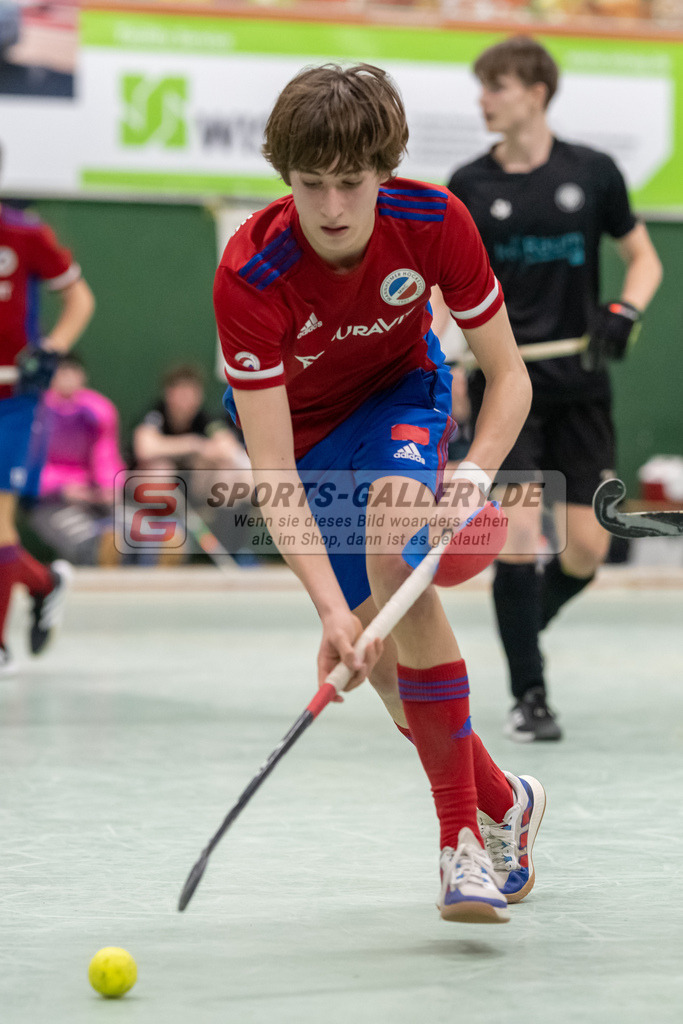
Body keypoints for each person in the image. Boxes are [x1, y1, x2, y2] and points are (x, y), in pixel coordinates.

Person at [213, 62, 545, 924]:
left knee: (401, 557)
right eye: (310, 185)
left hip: (400, 396)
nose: (331, 209)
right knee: (385, 663)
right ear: (285, 178)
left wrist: (466, 479)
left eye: (350, 184)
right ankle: (505, 801)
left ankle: (458, 845)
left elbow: (509, 378)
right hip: (303, 434)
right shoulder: (251, 272)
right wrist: (330, 614)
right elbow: (275, 476)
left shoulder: (434, 222)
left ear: (383, 171)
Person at [444, 36, 663, 742]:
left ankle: (522, 629)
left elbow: (642, 261)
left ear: (534, 93)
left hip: (580, 387)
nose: (484, 99)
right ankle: (528, 696)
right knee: (515, 534)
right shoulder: (468, 186)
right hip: (506, 385)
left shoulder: (592, 173)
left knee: (585, 551)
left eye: (496, 86)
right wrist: (444, 362)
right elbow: (448, 292)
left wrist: (623, 310)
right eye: (482, 87)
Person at [0, 157, 95, 674]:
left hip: (13, 398)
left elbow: (79, 298)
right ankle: (45, 582)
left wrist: (52, 348)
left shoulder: (24, 234)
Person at [132, 362, 253, 561]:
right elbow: (144, 448)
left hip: (194, 491)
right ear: (169, 393)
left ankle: (229, 550)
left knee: (231, 476)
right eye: (182, 392)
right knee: (160, 470)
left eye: (193, 392)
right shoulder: (155, 415)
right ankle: (158, 545)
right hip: (152, 494)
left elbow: (227, 447)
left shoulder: (205, 420)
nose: (188, 399)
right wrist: (193, 444)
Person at [27, 353, 125, 566]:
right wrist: (62, 489)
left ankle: (148, 549)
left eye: (73, 371)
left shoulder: (98, 409)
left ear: (83, 376)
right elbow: (29, 466)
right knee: (84, 542)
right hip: (49, 502)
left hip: (92, 497)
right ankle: (96, 549)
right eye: (62, 372)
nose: (68, 377)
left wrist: (109, 487)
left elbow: (106, 455)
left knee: (127, 529)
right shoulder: (35, 410)